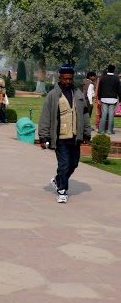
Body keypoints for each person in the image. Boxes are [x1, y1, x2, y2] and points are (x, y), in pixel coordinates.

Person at [38, 66, 91, 203]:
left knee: (73, 164)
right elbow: (45, 117)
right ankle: (62, 190)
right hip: (60, 137)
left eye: (70, 79)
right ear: (60, 78)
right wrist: (43, 137)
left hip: (75, 137)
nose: (68, 81)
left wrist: (86, 133)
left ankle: (57, 180)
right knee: (64, 164)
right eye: (65, 78)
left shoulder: (78, 94)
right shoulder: (53, 95)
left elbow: (85, 115)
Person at [96, 64, 121, 135]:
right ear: (114, 70)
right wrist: (120, 99)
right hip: (113, 99)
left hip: (104, 98)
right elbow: (119, 90)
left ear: (107, 69)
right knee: (111, 115)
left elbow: (99, 89)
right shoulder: (116, 79)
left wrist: (99, 98)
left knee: (103, 115)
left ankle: (101, 130)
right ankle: (110, 130)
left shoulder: (103, 78)